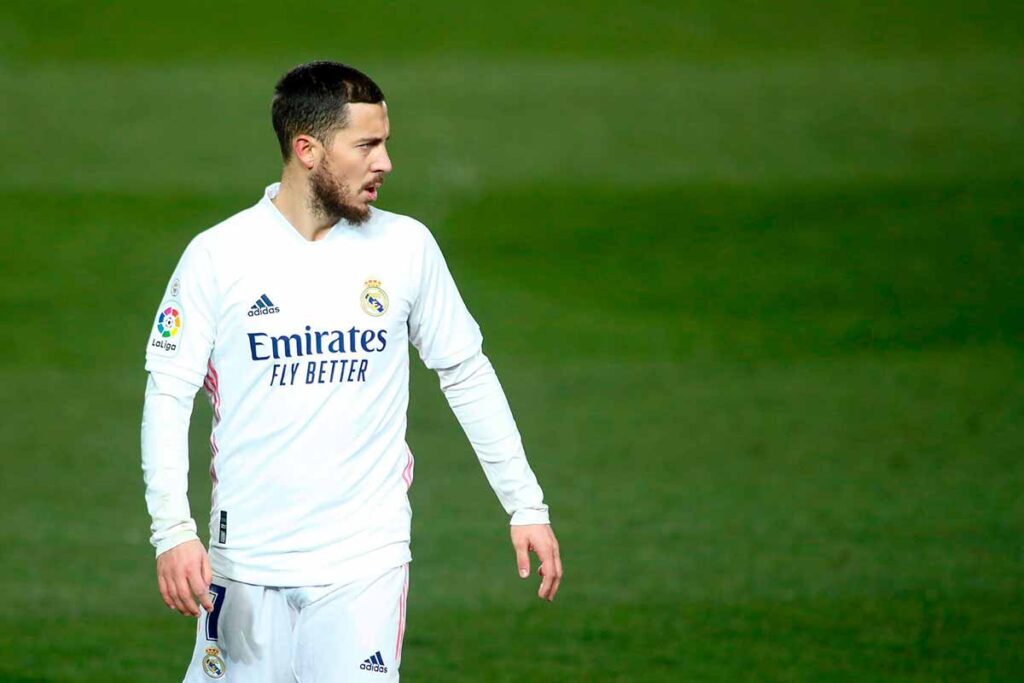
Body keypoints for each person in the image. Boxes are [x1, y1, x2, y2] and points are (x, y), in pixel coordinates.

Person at [140, 60, 562, 681]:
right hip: (243, 563)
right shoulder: (218, 257)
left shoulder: (405, 247)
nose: (385, 162)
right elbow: (168, 393)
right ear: (307, 150)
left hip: (365, 562)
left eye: (385, 142)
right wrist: (173, 530)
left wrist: (526, 504)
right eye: (366, 145)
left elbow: (466, 373)